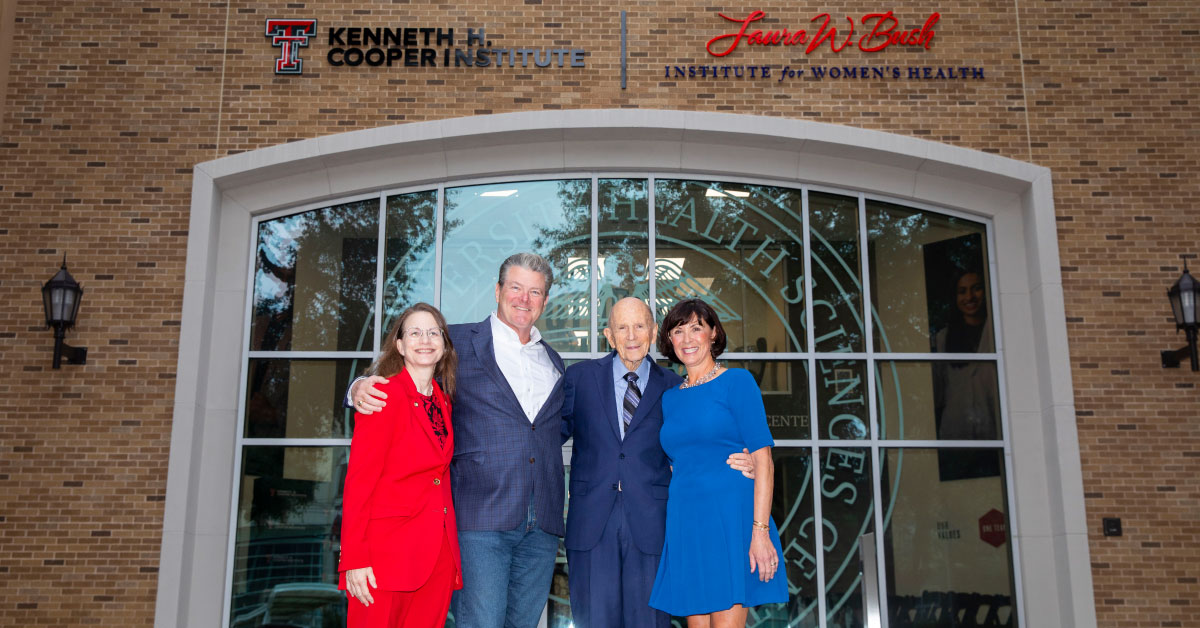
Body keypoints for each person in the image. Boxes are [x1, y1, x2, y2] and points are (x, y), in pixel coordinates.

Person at [349, 252, 565, 628]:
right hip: (480, 520)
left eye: (535, 291)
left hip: (541, 525)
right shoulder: (456, 342)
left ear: (545, 301)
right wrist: (357, 387)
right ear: (498, 291)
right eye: (515, 288)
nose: (523, 299)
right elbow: (392, 376)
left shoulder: (554, 362)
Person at [560, 297, 756, 628]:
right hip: (591, 526)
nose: (632, 335)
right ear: (609, 335)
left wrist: (743, 456)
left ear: (653, 333)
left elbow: (699, 440)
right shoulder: (579, 378)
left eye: (640, 326)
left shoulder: (677, 388)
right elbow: (549, 435)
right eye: (622, 327)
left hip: (654, 527)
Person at [649, 298, 788, 627]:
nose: (687, 339)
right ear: (669, 340)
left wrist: (760, 532)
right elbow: (679, 462)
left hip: (731, 519)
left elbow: (763, 461)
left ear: (713, 334)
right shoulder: (670, 398)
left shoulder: (737, 383)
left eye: (696, 328)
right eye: (678, 331)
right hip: (686, 523)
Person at [339, 302, 461, 628]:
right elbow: (359, 482)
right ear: (400, 345)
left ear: (444, 344)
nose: (425, 339)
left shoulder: (443, 402)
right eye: (415, 332)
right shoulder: (383, 394)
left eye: (433, 332)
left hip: (437, 556)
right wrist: (354, 559)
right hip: (383, 557)